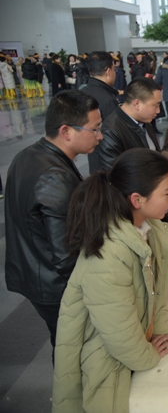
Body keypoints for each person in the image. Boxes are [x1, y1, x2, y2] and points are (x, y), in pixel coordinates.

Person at [52, 148, 168, 413]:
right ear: (137, 199)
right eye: (166, 193)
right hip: (106, 360)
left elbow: (159, 290)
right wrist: (148, 355)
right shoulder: (108, 255)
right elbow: (119, 335)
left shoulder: (150, 230)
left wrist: (159, 329)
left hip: (135, 338)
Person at [4, 90, 102, 352]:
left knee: (63, 341)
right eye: (95, 129)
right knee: (73, 347)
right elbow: (66, 255)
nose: (100, 136)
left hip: (33, 269)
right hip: (53, 283)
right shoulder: (55, 177)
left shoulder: (27, 155)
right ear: (66, 131)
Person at [95, 78, 162, 172]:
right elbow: (115, 174)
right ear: (137, 104)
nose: (158, 111)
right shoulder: (111, 131)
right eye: (156, 105)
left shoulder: (145, 120)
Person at [81, 52, 121, 173]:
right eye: (114, 69)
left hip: (94, 157)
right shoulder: (107, 99)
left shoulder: (83, 92)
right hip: (108, 163)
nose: (115, 73)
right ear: (108, 71)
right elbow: (115, 135)